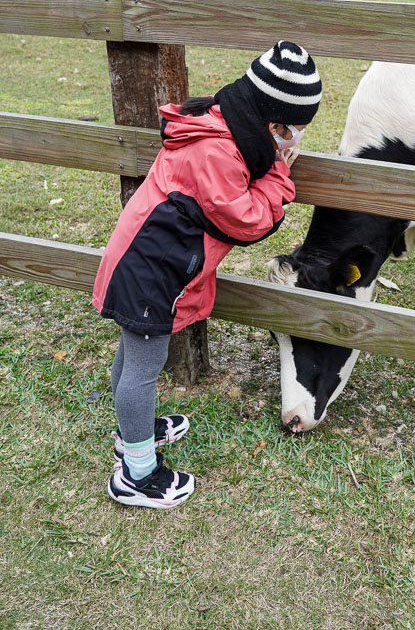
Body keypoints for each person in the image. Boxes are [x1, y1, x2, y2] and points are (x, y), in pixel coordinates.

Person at [92, 40, 322, 509]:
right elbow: (247, 219)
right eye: (293, 130)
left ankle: (130, 432)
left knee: (132, 353)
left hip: (148, 261)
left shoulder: (222, 128)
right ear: (272, 124)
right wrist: (279, 177)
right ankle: (136, 473)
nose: (294, 139)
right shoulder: (216, 153)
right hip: (153, 272)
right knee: (142, 368)